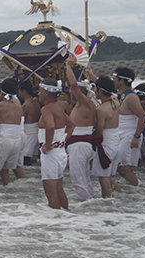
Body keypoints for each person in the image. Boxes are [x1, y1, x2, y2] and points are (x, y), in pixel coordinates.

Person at [62, 60, 102, 202]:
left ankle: (86, 205)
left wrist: (68, 66)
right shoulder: (82, 104)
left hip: (80, 145)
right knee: (83, 178)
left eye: (72, 90)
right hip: (80, 145)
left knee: (78, 179)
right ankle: (89, 202)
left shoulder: (84, 103)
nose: (70, 92)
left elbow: (73, 84)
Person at [37, 79, 73, 210]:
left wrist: (47, 145)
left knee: (50, 193)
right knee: (59, 189)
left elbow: (50, 127)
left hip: (51, 154)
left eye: (40, 91)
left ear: (46, 93)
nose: (38, 94)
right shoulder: (58, 106)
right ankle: (66, 215)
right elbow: (71, 125)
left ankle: (57, 221)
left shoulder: (47, 108)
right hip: (60, 152)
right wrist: (62, 140)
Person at [0, 79, 26, 185]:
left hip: (5, 140)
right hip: (17, 140)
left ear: (2, 92)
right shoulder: (18, 105)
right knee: (5, 172)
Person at [112, 68, 145, 186]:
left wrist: (136, 136)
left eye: (115, 79)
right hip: (121, 134)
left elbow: (142, 116)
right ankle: (133, 189)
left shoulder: (131, 97)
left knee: (125, 168)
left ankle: (137, 190)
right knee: (119, 167)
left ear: (121, 81)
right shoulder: (122, 95)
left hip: (130, 136)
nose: (113, 81)